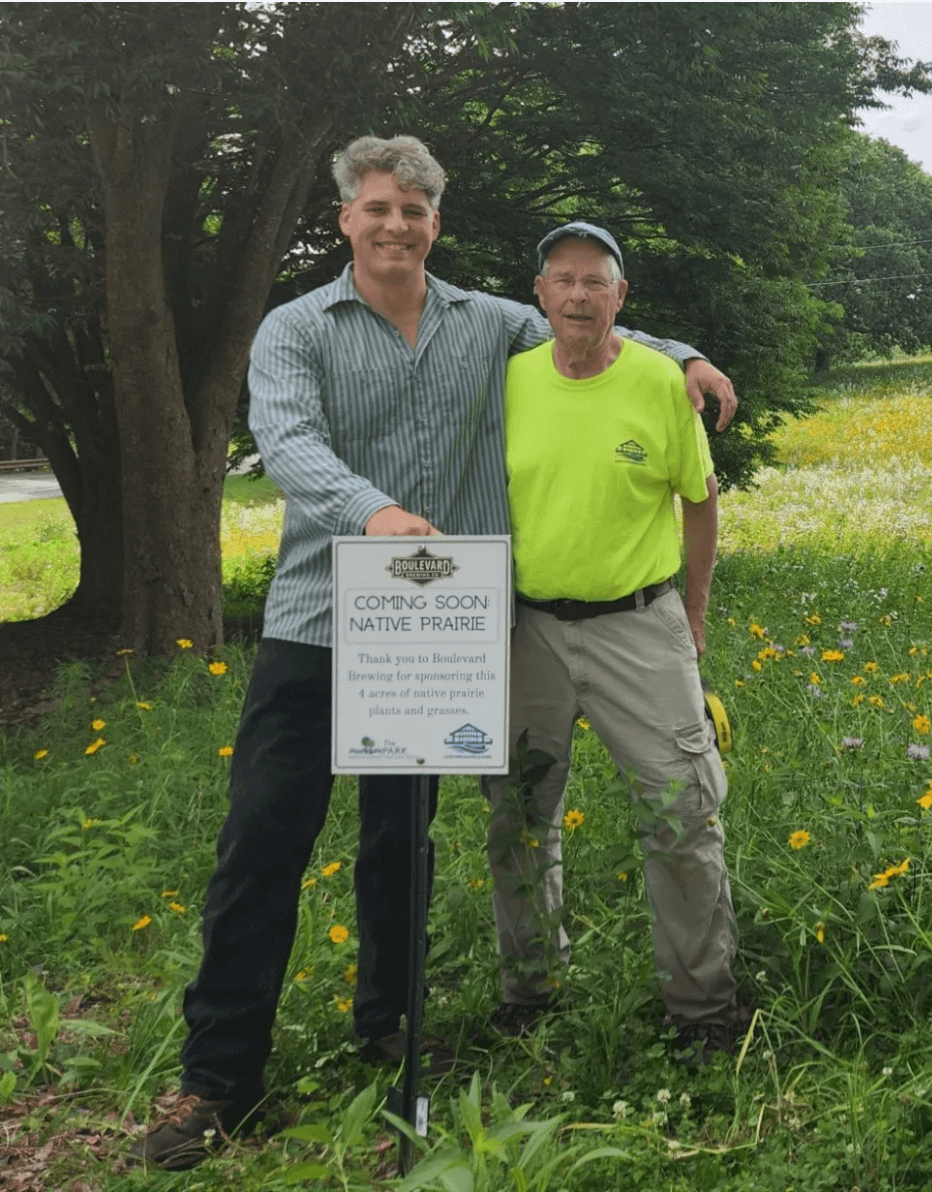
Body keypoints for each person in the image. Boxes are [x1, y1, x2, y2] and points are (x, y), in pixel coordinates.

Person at [131, 136, 736, 1171]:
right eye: (378, 208)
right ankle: (218, 1076)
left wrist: (680, 354)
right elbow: (288, 443)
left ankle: (390, 1027)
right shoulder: (294, 331)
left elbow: (585, 312)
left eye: (414, 209)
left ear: (435, 224)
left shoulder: (487, 323)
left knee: (398, 844)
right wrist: (371, 514)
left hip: (437, 629)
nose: (396, 225)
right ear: (346, 220)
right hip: (321, 623)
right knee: (262, 842)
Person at [482, 222, 741, 1059]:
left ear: (620, 298)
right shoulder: (511, 380)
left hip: (641, 623)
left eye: (596, 282)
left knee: (682, 813)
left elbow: (699, 502)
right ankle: (531, 988)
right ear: (540, 295)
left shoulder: (663, 383)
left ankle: (702, 1011)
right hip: (530, 632)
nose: (579, 296)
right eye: (562, 280)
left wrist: (692, 616)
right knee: (518, 814)